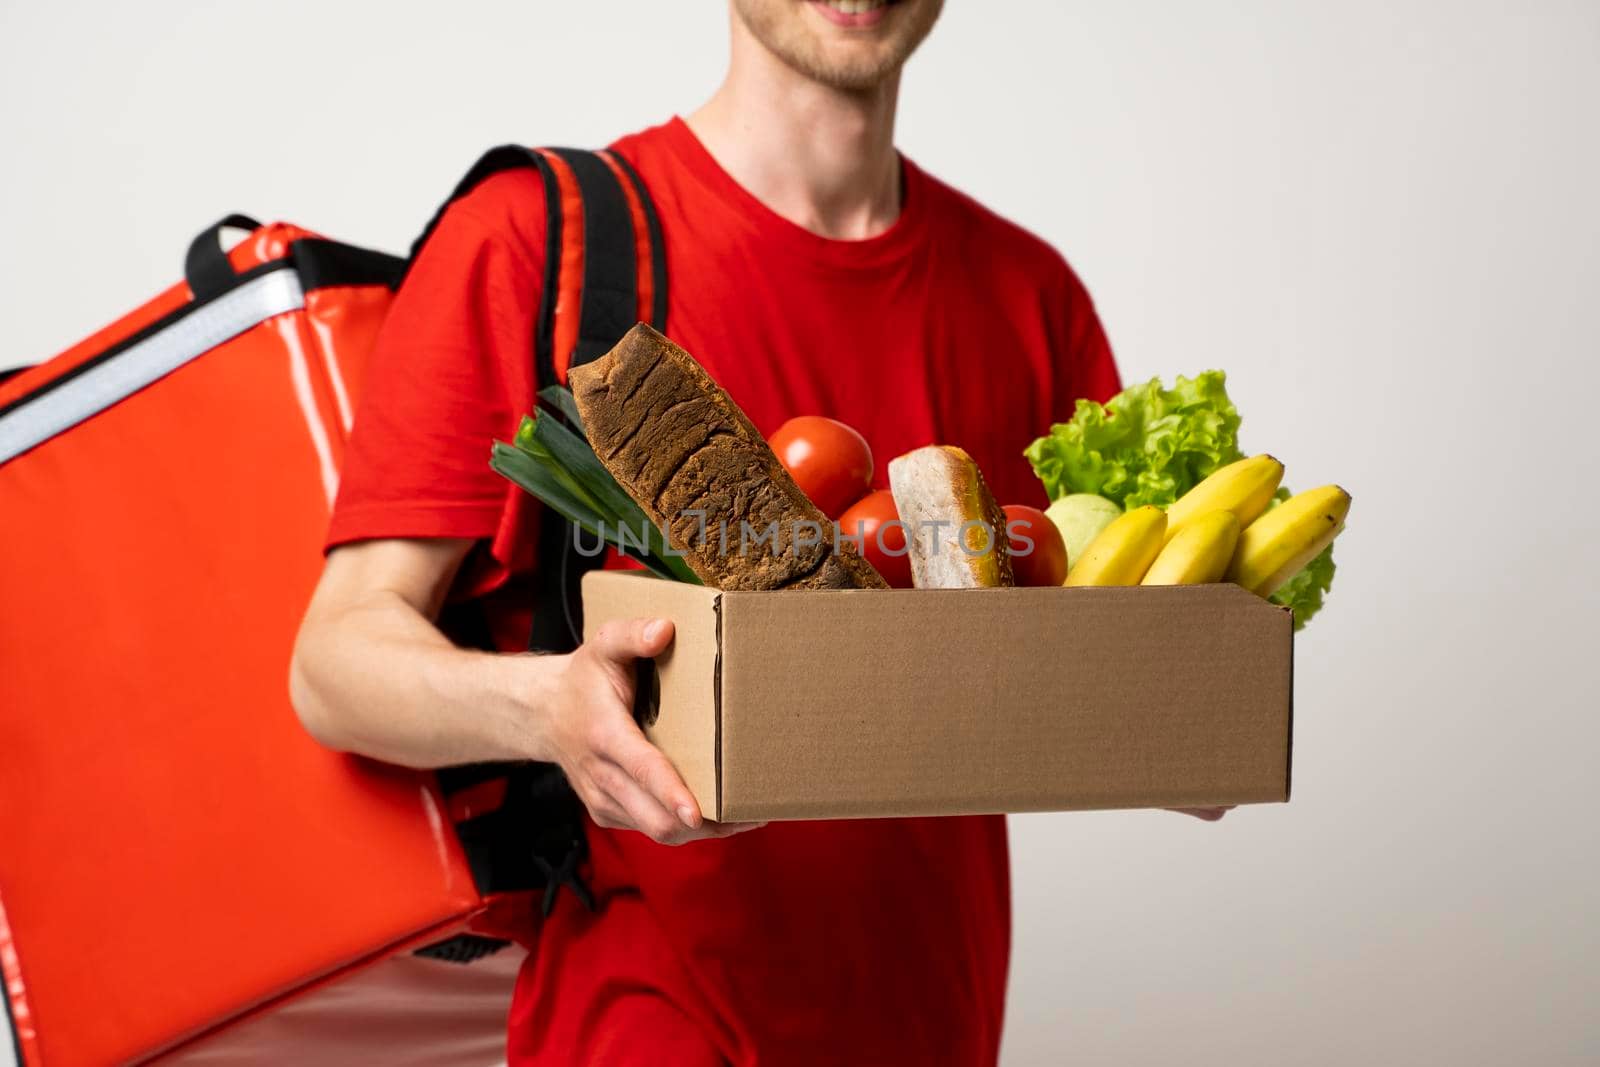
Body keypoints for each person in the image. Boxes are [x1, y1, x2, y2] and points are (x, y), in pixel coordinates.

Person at [291, 1, 1223, 1062]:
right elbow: (335, 660)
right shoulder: (529, 237)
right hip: (645, 1017)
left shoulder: (1028, 294)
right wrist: (549, 705)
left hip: (935, 1018)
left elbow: (1156, 722)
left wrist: (1202, 701)